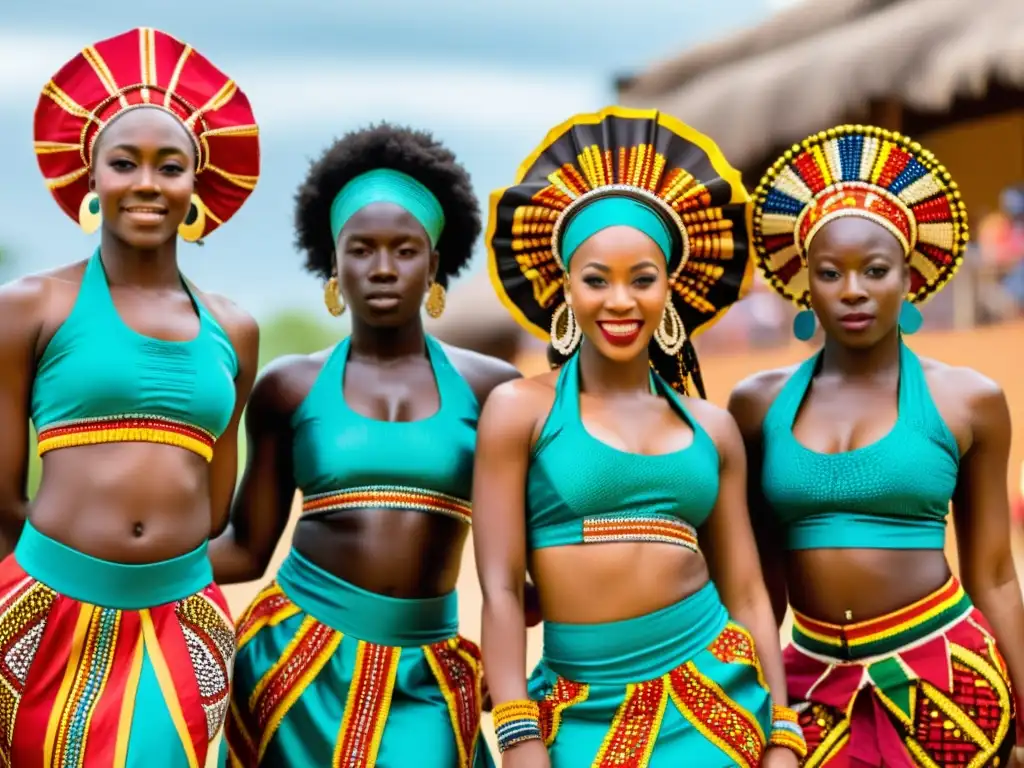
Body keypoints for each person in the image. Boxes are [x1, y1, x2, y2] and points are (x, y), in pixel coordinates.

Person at [476, 106, 807, 767]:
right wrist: (517, 733)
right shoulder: (519, 412)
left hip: (715, 700)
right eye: (596, 279)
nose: (620, 301)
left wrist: (780, 730)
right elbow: (502, 589)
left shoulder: (711, 428)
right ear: (565, 286)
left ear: (670, 289)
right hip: (578, 711)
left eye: (643, 279)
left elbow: (746, 592)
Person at [212, 123, 519, 767]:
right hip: (295, 667)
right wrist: (111, 560)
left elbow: (532, 563)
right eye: (362, 249)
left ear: (435, 263)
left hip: (428, 673)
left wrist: (513, 653)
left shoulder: (494, 390)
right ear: (333, 261)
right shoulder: (288, 386)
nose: (383, 268)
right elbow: (245, 548)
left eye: (405, 250)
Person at [0, 27, 260, 766]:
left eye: (169, 165)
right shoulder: (29, 308)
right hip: (46, 614)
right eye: (125, 163)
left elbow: (215, 507)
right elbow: (0, 497)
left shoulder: (234, 330)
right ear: (92, 179)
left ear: (195, 185)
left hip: (179, 623)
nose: (147, 182)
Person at [731, 124, 1024, 766]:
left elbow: (995, 572)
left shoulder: (967, 400)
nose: (854, 289)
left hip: (949, 682)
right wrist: (770, 713)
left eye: (876, 270)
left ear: (909, 279)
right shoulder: (757, 404)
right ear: (804, 283)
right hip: (810, 687)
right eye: (831, 272)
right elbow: (759, 586)